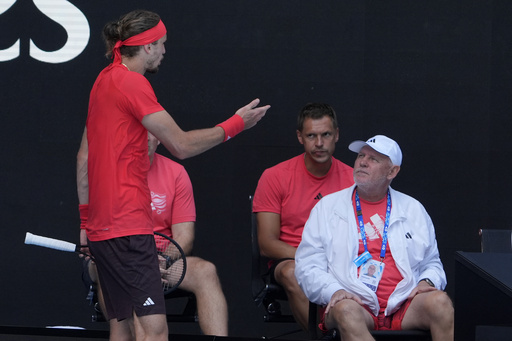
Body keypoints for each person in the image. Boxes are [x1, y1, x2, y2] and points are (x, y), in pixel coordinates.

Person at [76, 9, 270, 341]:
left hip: (102, 230)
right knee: (154, 331)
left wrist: (85, 223)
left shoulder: (102, 80)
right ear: (147, 47)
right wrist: (235, 125)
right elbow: (179, 144)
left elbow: (83, 162)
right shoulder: (134, 83)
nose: (165, 51)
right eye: (162, 44)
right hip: (129, 227)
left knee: (121, 326)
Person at [294, 135, 454, 341]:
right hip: (352, 300)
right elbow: (307, 265)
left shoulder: (414, 209)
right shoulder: (327, 208)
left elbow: (432, 262)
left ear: (392, 171)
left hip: (403, 303)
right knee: (346, 311)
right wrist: (334, 290)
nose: (362, 161)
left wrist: (426, 281)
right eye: (361, 155)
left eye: (373, 159)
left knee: (441, 303)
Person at [84, 133, 229, 336]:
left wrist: (163, 259)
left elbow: (184, 236)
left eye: (150, 131)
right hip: (119, 259)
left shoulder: (176, 173)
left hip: (163, 261)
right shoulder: (109, 173)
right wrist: (141, 264)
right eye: (137, 130)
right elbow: (103, 236)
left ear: (160, 137)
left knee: (206, 271)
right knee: (106, 267)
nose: (143, 136)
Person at [252, 103, 354, 331]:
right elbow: (267, 244)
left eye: (326, 134)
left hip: (342, 261)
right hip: (291, 258)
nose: (319, 143)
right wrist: (312, 256)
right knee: (292, 272)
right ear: (300, 137)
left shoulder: (353, 180)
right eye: (311, 135)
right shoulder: (275, 176)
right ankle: (321, 336)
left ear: (336, 135)